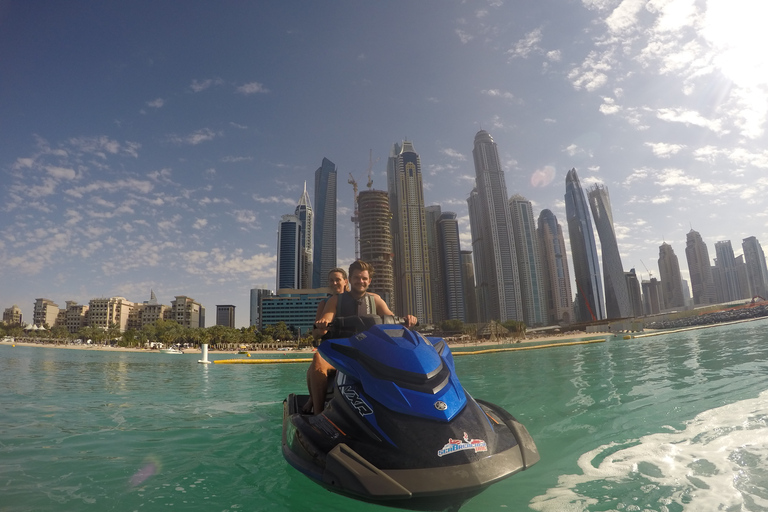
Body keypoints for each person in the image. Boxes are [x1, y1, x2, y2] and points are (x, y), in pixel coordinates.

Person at [303, 260, 417, 415]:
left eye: (364, 278)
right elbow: (327, 317)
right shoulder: (335, 300)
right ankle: (318, 413)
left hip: (368, 353)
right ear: (350, 279)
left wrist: (407, 320)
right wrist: (324, 323)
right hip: (341, 354)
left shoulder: (375, 299)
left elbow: (391, 318)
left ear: (369, 281)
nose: (360, 281)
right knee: (317, 359)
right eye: (356, 278)